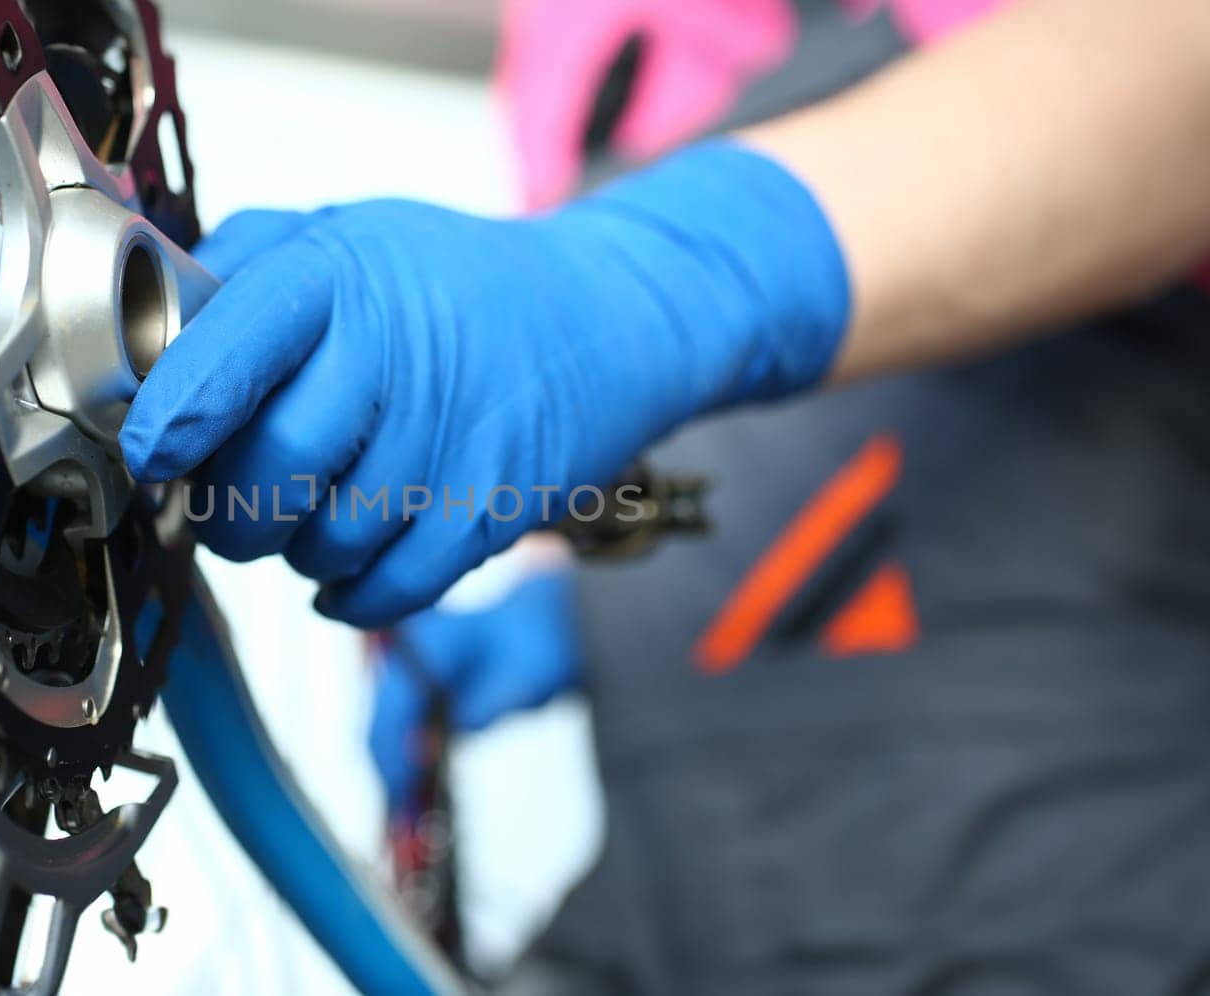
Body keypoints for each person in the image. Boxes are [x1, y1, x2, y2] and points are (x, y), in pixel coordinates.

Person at [122, 0, 1210, 991]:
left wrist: (685, 266)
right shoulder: (559, 35)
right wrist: (583, 584)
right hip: (696, 883)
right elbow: (656, 406)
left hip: (1073, 872)